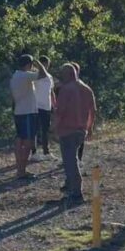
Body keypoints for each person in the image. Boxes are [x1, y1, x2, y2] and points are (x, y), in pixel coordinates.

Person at [54, 64, 96, 201]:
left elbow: (60, 111)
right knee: (73, 159)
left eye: (62, 74)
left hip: (67, 130)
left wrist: (54, 127)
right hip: (81, 130)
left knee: (70, 162)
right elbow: (92, 111)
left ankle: (76, 193)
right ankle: (70, 187)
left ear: (68, 75)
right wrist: (89, 128)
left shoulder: (66, 90)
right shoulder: (86, 89)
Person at [9, 53, 49, 180]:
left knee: (19, 139)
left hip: (19, 111)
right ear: (28, 65)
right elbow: (44, 75)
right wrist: (39, 63)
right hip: (27, 112)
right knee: (28, 141)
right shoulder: (25, 75)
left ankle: (19, 168)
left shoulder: (15, 75)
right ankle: (21, 171)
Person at [32, 55, 56, 162]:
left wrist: (54, 103)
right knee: (35, 130)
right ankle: (34, 152)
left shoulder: (49, 77)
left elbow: (51, 91)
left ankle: (46, 152)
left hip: (47, 106)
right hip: (36, 105)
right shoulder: (34, 75)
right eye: (44, 64)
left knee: (45, 130)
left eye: (47, 64)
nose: (46, 66)